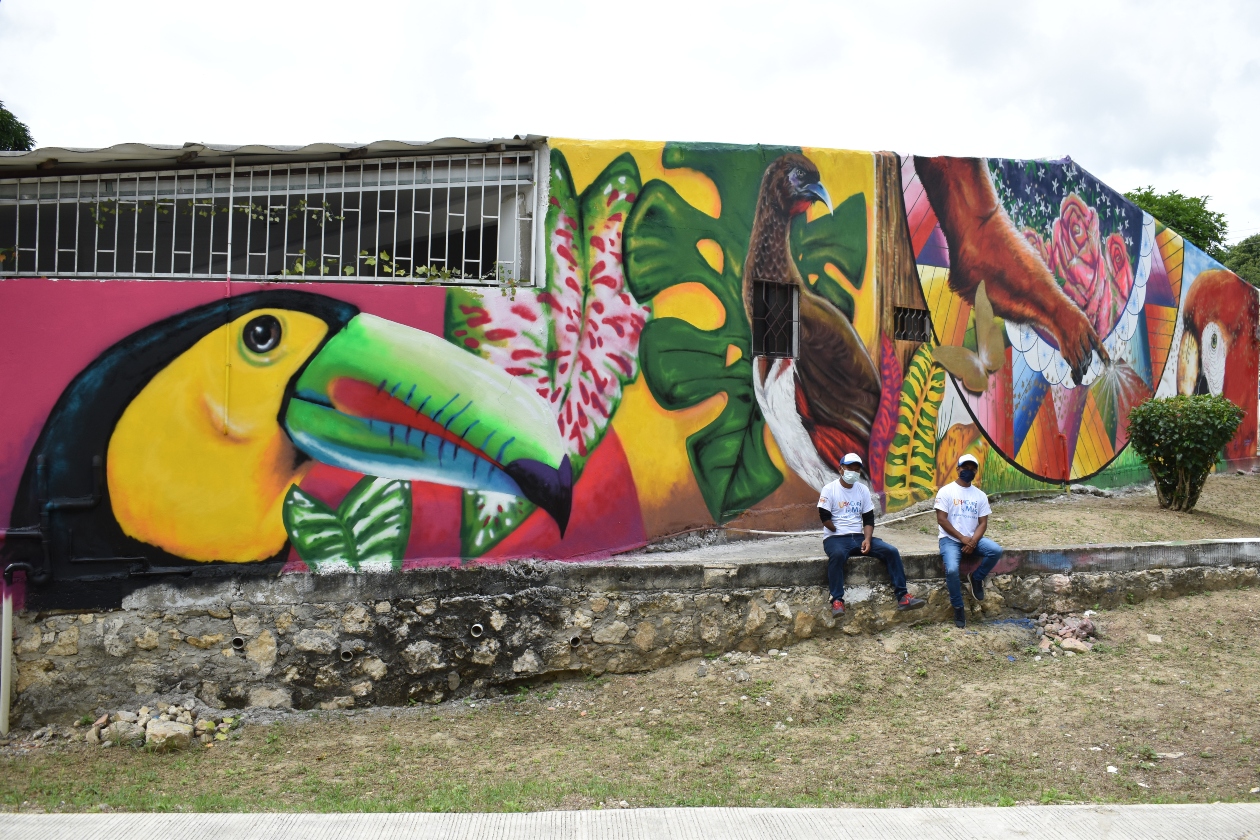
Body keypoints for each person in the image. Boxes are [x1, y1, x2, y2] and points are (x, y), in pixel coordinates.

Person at [819, 453, 925, 617]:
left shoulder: (862, 490)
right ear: (841, 469)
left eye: (857, 470)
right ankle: (837, 601)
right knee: (838, 555)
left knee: (891, 551)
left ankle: (903, 597)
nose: (853, 472)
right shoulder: (829, 489)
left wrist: (867, 539)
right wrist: (835, 529)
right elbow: (824, 516)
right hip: (836, 538)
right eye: (849, 468)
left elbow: (868, 519)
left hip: (858, 536)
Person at [935, 453, 1004, 628]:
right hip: (950, 540)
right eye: (965, 467)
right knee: (951, 570)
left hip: (973, 539)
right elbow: (941, 519)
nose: (969, 471)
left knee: (995, 551)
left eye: (973, 468)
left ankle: (976, 577)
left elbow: (983, 522)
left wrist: (972, 541)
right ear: (958, 469)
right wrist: (962, 538)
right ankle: (958, 607)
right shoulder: (946, 491)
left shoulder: (980, 495)